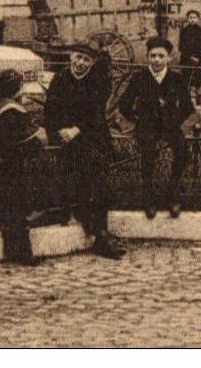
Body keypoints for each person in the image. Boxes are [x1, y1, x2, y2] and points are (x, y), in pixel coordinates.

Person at [43, 41, 125, 259]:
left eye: (86, 60)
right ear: (71, 56)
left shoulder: (96, 81)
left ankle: (100, 232)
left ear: (92, 62)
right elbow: (50, 111)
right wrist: (61, 131)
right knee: (77, 172)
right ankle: (95, 230)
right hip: (65, 138)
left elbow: (96, 114)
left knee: (96, 172)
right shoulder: (60, 79)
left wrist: (76, 130)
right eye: (78, 57)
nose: (80, 63)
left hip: (89, 134)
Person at [117, 37, 196, 218]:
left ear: (169, 58)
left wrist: (177, 122)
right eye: (153, 56)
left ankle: (172, 193)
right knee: (148, 155)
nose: (157, 60)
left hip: (170, 126)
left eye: (161, 56)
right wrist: (136, 120)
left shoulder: (177, 79)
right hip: (147, 126)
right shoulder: (139, 78)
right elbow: (124, 104)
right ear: (147, 57)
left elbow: (188, 108)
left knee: (183, 151)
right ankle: (148, 197)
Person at [0, 68, 42, 265]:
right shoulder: (11, 110)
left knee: (10, 206)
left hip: (8, 162)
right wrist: (35, 144)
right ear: (17, 89)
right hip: (18, 163)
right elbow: (21, 137)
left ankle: (12, 248)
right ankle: (22, 252)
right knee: (18, 207)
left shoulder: (1, 105)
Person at [178, 10, 201, 86]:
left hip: (199, 61)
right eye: (190, 17)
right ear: (187, 19)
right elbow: (181, 47)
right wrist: (190, 57)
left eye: (195, 17)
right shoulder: (184, 31)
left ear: (198, 19)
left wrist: (198, 57)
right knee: (186, 82)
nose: (192, 19)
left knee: (198, 82)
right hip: (186, 61)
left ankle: (198, 97)